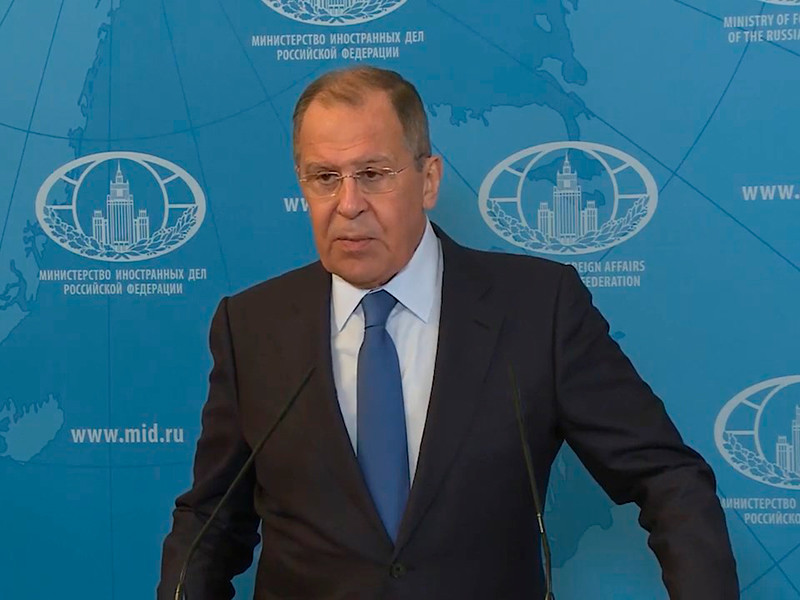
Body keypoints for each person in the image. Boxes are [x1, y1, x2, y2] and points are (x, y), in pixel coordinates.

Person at [158, 66, 738, 599]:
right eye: (325, 177)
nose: (348, 204)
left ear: (429, 180)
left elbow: (668, 479)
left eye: (373, 174)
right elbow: (210, 525)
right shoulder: (251, 326)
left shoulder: (537, 309)